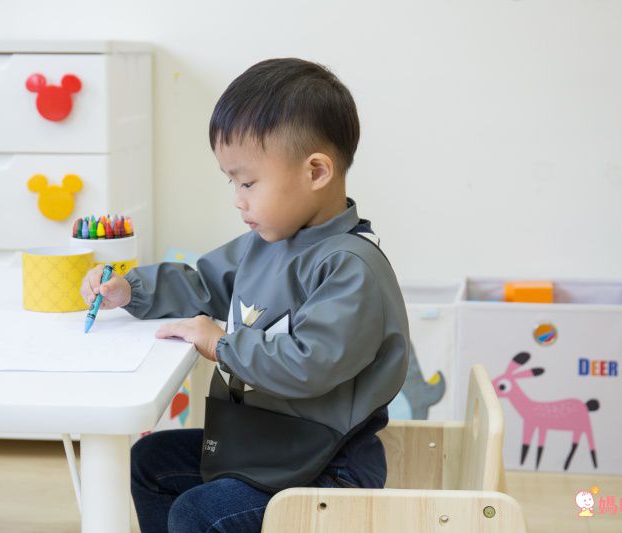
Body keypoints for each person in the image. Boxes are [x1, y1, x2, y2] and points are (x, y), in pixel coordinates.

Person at [80, 57, 410, 533]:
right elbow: (202, 282)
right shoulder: (266, 243)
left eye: (248, 182)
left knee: (197, 513)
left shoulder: (350, 267)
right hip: (264, 446)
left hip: (325, 469)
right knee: (150, 462)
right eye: (231, 181)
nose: (238, 198)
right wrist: (130, 290)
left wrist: (221, 344)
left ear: (316, 171)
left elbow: (309, 364)